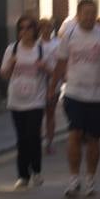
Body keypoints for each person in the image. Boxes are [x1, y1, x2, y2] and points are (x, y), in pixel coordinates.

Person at [52, 0, 100, 198]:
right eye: (85, 13)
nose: (88, 17)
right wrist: (52, 87)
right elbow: (61, 62)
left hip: (97, 95)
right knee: (75, 134)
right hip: (74, 93)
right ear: (78, 15)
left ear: (95, 16)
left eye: (91, 13)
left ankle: (90, 178)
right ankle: (73, 179)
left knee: (93, 138)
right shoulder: (69, 35)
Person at [0, 14, 55, 188]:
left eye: (29, 28)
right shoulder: (12, 49)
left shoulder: (41, 50)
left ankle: (36, 171)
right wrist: (10, 63)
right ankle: (23, 175)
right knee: (21, 139)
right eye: (21, 28)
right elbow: (4, 74)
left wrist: (44, 67)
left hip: (36, 100)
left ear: (35, 30)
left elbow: (53, 72)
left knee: (33, 136)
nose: (25, 32)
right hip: (16, 100)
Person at [39, 18, 61, 154]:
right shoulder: (36, 45)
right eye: (43, 27)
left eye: (49, 27)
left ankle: (50, 142)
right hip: (38, 84)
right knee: (37, 115)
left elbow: (61, 63)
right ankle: (36, 141)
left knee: (50, 114)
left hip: (54, 82)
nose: (46, 30)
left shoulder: (58, 44)